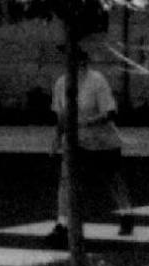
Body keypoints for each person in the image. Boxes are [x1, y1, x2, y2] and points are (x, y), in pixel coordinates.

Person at [51, 59, 133, 241]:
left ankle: (126, 213)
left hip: (102, 140)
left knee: (113, 179)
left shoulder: (97, 81)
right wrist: (57, 136)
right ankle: (62, 223)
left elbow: (110, 113)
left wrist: (86, 122)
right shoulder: (61, 83)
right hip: (75, 140)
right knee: (66, 180)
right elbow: (61, 114)